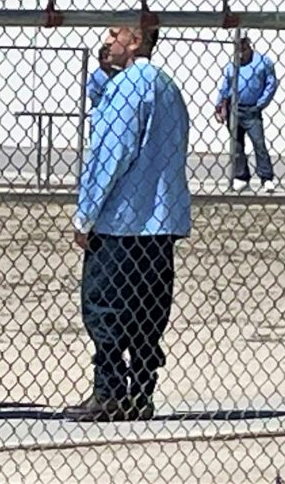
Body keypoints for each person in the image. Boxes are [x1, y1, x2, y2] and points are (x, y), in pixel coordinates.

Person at [64, 26, 191, 422]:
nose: (107, 39)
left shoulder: (129, 89)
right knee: (149, 308)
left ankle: (110, 390)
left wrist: (85, 214)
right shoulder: (167, 88)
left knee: (104, 306)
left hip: (121, 222)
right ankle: (142, 389)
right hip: (161, 220)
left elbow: (109, 155)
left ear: (135, 39)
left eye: (115, 32)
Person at [214, 37, 278, 193]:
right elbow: (225, 86)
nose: (240, 54)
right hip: (234, 109)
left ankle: (266, 177)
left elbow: (271, 83)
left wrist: (260, 104)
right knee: (237, 145)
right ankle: (241, 176)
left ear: (248, 46)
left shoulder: (263, 62)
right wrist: (219, 106)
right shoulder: (232, 65)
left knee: (259, 143)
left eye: (243, 49)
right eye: (238, 50)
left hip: (252, 110)